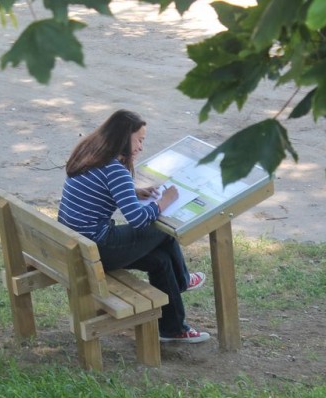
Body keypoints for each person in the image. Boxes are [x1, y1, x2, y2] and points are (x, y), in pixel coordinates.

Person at [57, 110, 211, 343]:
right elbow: (138, 220)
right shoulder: (116, 169)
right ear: (123, 138)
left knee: (160, 260)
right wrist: (163, 202)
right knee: (160, 230)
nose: (140, 147)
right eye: (139, 140)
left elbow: (101, 190)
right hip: (97, 248)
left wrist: (134, 192)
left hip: (77, 245)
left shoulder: (90, 153)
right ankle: (183, 281)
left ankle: (173, 329)